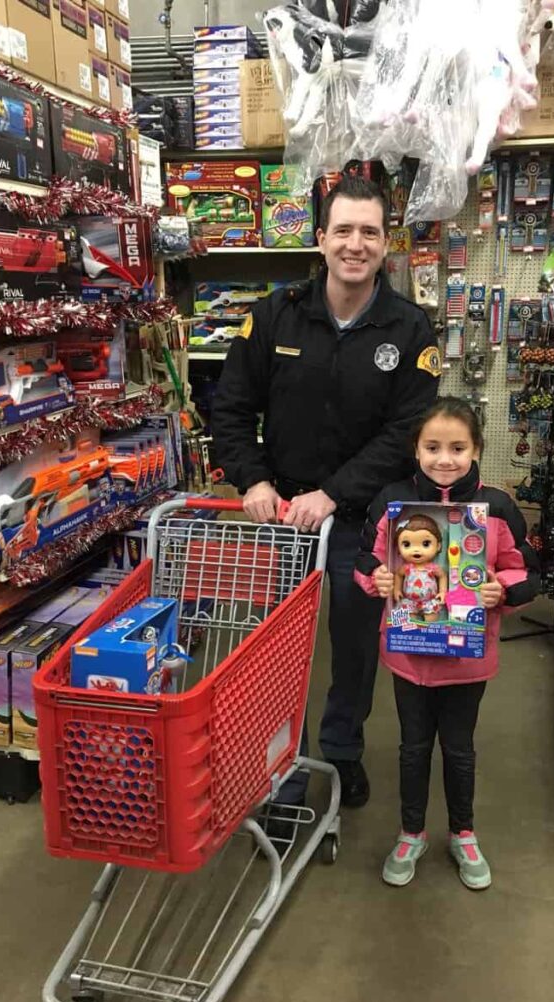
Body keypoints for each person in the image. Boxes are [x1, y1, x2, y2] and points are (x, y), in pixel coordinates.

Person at [212, 174, 441, 811]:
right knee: (280, 650)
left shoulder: (411, 330)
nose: (355, 244)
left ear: (386, 243)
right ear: (321, 239)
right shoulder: (275, 314)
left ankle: (341, 751)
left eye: (370, 232)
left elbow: (406, 435)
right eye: (343, 230)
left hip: (363, 521)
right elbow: (229, 408)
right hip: (283, 514)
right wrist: (253, 479)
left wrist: (335, 494)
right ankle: (285, 764)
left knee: (354, 645)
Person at [355, 397, 540, 887]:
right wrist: (377, 579)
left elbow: (526, 570)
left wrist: (503, 590)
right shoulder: (391, 502)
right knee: (413, 747)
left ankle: (463, 832)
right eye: (433, 446)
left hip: (467, 660)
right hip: (407, 653)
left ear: (476, 448)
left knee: (459, 748)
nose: (445, 459)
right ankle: (411, 831)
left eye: (458, 447)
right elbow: (363, 561)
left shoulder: (496, 507)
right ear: (415, 449)